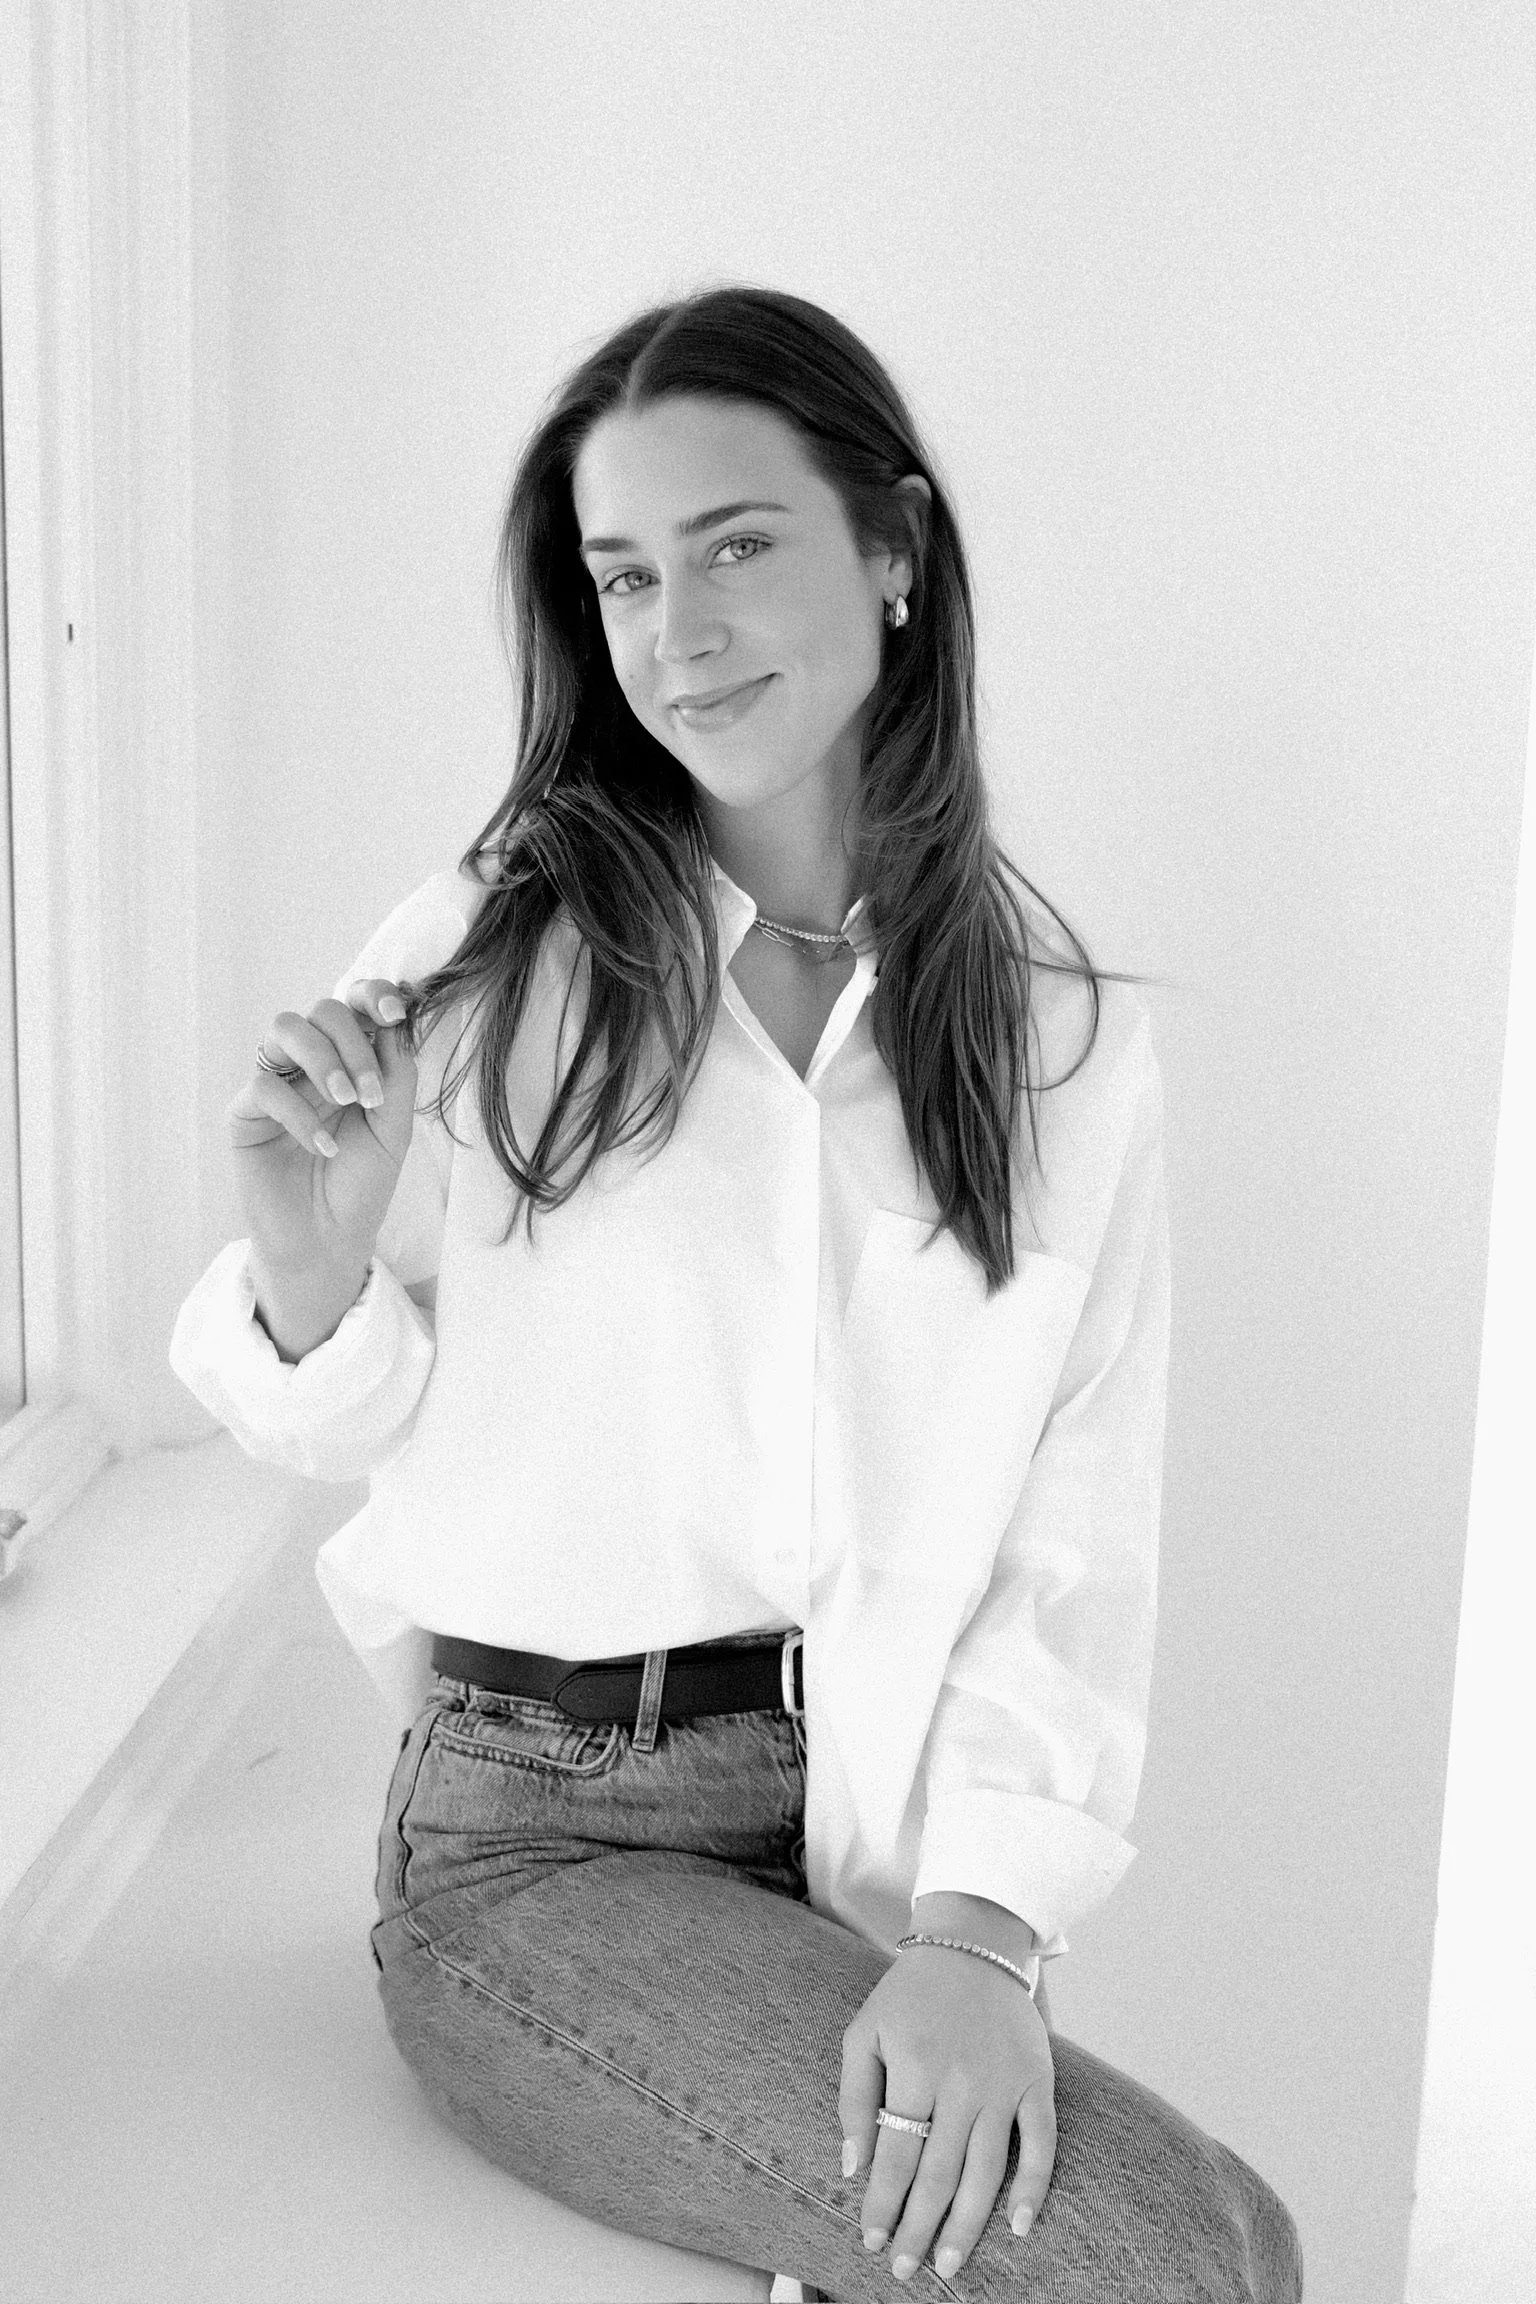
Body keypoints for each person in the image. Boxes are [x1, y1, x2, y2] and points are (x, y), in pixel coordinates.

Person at [169, 285, 1302, 2301]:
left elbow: (1070, 1545)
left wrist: (978, 1934)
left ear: (893, 551)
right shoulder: (497, 949)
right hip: (534, 1846)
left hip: (858, 1844)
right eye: (620, 577)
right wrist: (308, 1258)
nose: (674, 633)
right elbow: (322, 1408)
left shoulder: (1061, 1060)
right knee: (1164, 2267)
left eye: (735, 547)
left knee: (1242, 2235)